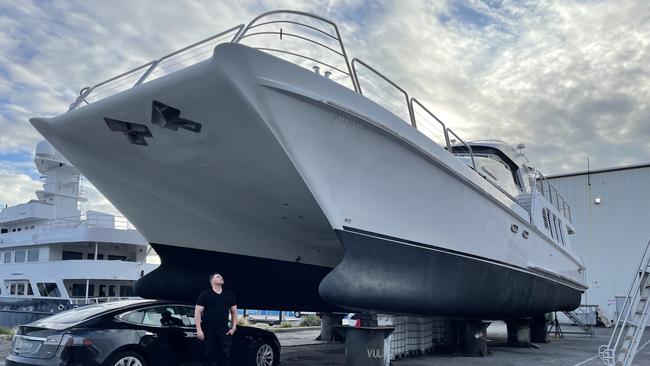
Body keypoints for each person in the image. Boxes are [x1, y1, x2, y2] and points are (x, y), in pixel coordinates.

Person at [195, 273, 238, 366]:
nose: (221, 277)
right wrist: (199, 330)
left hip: (224, 331)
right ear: (212, 281)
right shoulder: (205, 294)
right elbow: (197, 312)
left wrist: (234, 328)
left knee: (225, 356)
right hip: (208, 330)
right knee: (208, 356)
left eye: (221, 276)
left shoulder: (230, 295)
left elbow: (234, 312)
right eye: (218, 276)